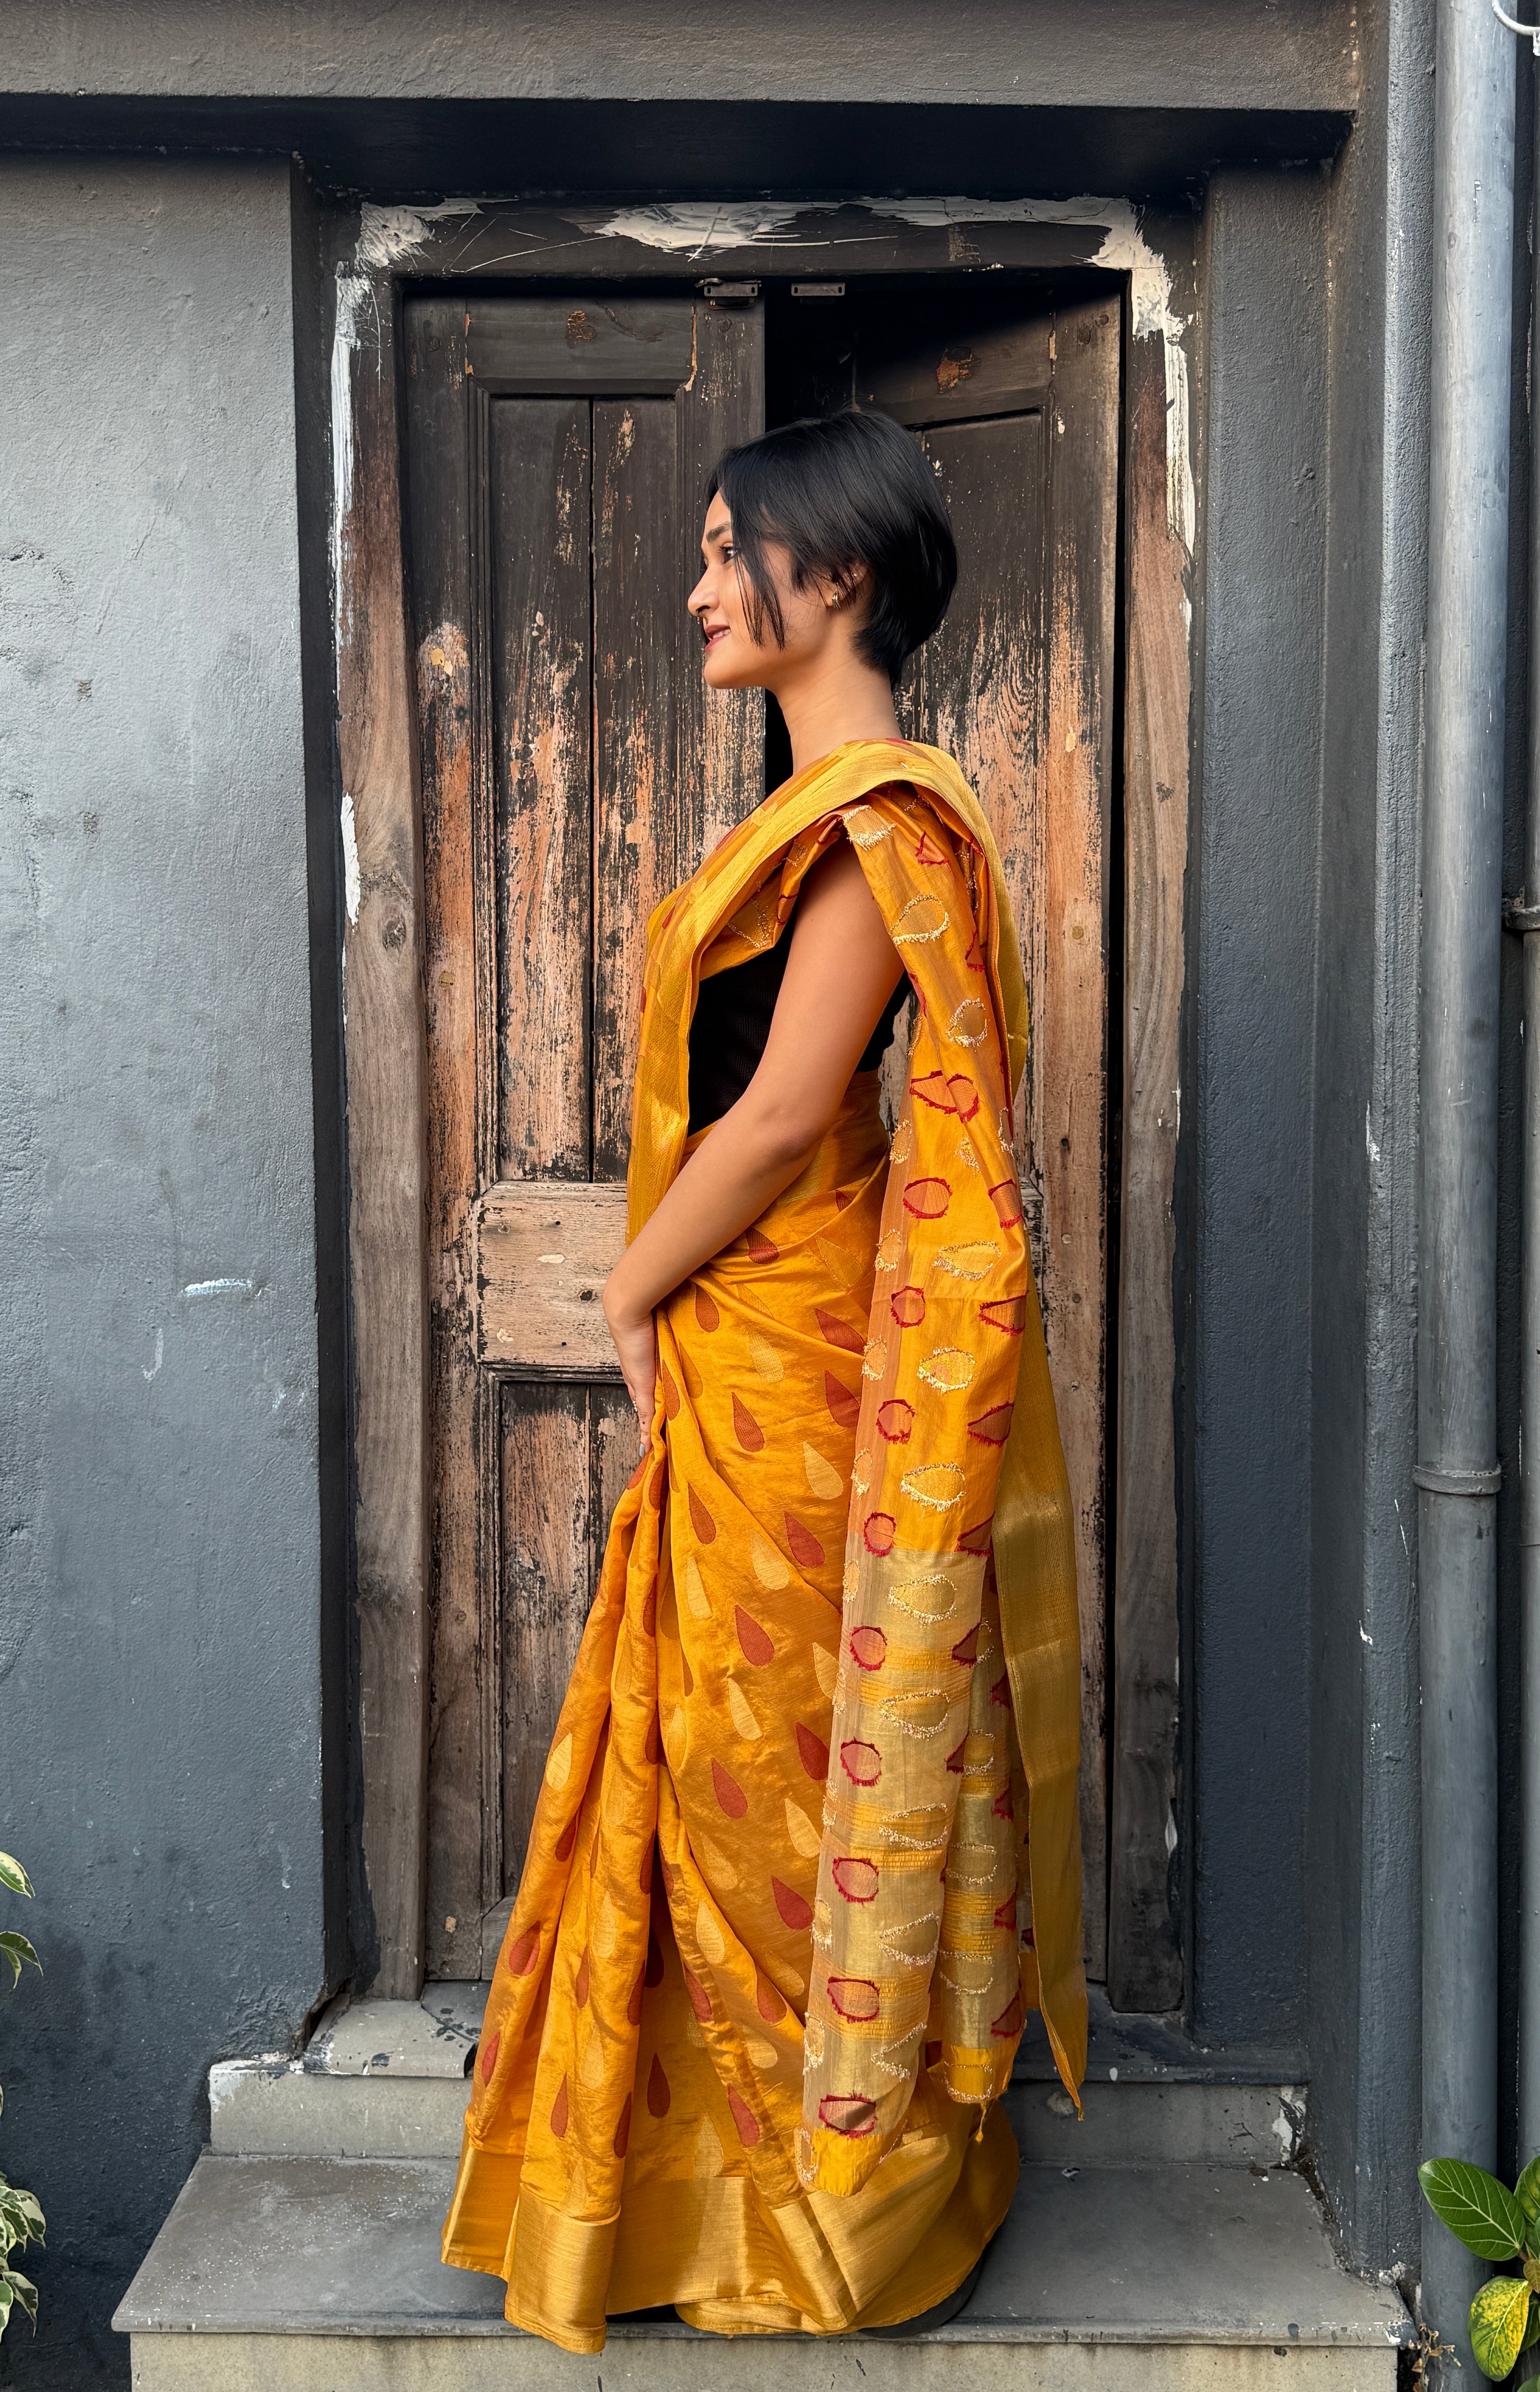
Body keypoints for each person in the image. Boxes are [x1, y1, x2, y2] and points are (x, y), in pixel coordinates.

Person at [442, 408, 1085, 2350]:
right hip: (765, 1352)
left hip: (804, 1376)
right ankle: (692, 2196)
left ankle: (830, 2212)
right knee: (727, 1770)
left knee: (782, 1776)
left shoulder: (878, 828)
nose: (702, 585)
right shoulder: (815, 823)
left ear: (847, 579)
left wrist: (629, 1290)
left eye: (737, 550)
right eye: (708, 549)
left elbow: (790, 1109)